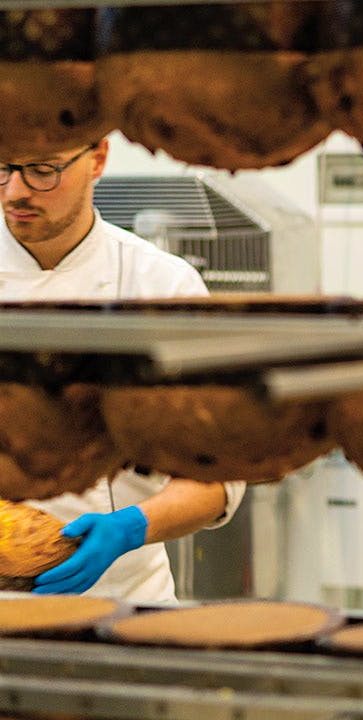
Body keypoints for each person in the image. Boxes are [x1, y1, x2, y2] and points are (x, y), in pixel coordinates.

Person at [0, 137, 244, 601]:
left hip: (123, 600)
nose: (15, 192)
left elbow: (217, 474)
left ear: (97, 159)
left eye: (43, 170)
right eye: (3, 168)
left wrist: (131, 527)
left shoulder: (161, 286)